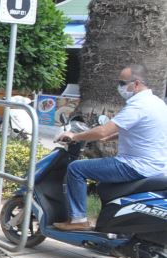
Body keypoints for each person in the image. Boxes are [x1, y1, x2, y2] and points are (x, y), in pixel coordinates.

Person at [54, 64, 167, 231]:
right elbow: (142, 130)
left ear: (136, 84)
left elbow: (102, 130)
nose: (119, 87)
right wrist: (110, 137)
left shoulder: (138, 105)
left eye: (122, 83)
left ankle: (78, 219)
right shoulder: (157, 102)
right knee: (104, 187)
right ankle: (110, 227)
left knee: (76, 169)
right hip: (156, 166)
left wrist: (74, 136)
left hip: (134, 165)